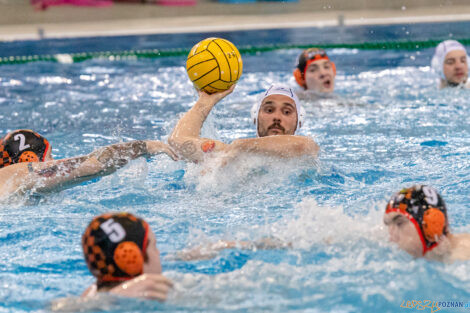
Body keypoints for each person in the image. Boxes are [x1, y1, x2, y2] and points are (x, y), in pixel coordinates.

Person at [0, 129, 177, 200]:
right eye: (50, 156)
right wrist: (146, 146)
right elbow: (95, 164)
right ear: (30, 159)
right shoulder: (21, 172)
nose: (54, 161)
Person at [168, 84, 319, 163]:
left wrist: (241, 146)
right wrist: (205, 101)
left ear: (299, 122)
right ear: (255, 117)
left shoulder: (305, 154)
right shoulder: (231, 153)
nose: (277, 117)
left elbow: (303, 145)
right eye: (269, 110)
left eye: (287, 112)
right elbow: (177, 141)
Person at [81, 212, 172, 300]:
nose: (158, 252)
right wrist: (116, 297)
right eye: (154, 246)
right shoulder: (161, 292)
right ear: (131, 257)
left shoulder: (91, 295)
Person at [383, 185, 470, 262]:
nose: (391, 238)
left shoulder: (464, 255)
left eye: (399, 223)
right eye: (388, 224)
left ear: (432, 225)